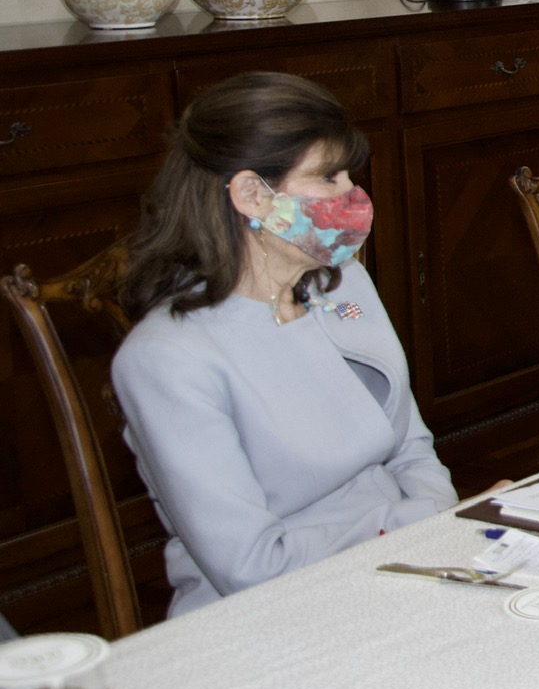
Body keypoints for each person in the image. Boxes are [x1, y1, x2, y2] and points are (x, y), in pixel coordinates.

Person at [111, 72, 456, 617]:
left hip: (405, 564)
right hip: (274, 614)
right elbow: (253, 567)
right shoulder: (167, 359)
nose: (353, 195)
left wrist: (439, 527)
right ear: (252, 195)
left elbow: (412, 446)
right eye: (329, 177)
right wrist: (419, 524)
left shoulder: (343, 284)